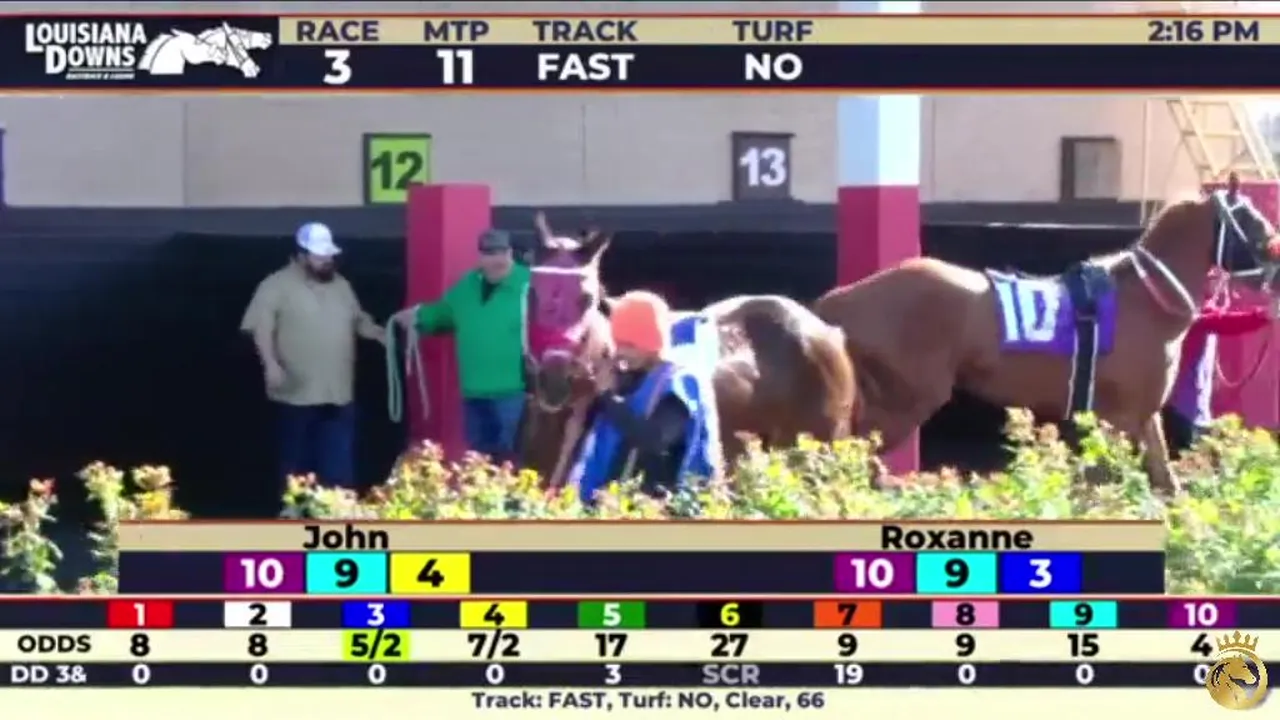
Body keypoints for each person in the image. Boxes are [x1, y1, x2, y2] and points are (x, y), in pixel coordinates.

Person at [240, 222, 385, 492]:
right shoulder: (275, 285)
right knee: (296, 467)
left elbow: (357, 319)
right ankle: (295, 513)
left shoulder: (341, 285)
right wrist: (270, 365)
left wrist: (378, 333)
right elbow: (261, 328)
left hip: (338, 393)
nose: (326, 261)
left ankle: (337, 512)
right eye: (319, 256)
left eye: (329, 255)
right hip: (296, 395)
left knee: (338, 466)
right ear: (300, 255)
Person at [391, 229, 530, 462]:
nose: (496, 260)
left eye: (502, 253)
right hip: (474, 391)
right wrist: (418, 316)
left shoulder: (529, 285)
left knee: (514, 459)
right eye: (489, 254)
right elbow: (444, 313)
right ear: (480, 257)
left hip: (515, 392)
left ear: (510, 254)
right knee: (477, 462)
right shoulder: (467, 286)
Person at [1165, 277, 1273, 452]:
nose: (1219, 282)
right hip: (1180, 408)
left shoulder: (1205, 305)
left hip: (1196, 410)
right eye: (1213, 278)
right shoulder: (1190, 308)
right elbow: (1222, 321)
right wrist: (1262, 315)